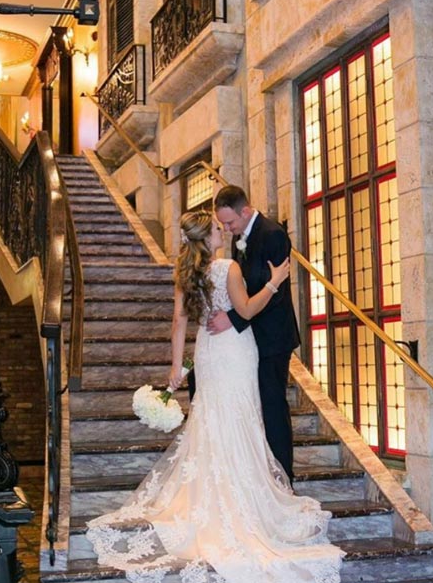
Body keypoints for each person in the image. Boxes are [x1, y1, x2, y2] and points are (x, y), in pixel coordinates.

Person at [86, 211, 343, 583]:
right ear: (207, 239)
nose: (223, 232)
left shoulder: (186, 273)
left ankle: (214, 495)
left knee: (213, 420)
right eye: (217, 229)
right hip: (235, 352)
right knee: (239, 418)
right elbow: (248, 310)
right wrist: (274, 282)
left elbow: (179, 321)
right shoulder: (227, 269)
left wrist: (176, 367)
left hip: (207, 352)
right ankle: (241, 502)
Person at [210, 185, 300, 483]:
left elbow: (274, 293)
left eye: (230, 222)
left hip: (273, 338)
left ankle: (284, 478)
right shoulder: (240, 237)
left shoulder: (273, 235)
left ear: (245, 211)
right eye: (223, 224)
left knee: (273, 406)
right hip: (248, 339)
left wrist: (233, 318)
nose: (227, 229)